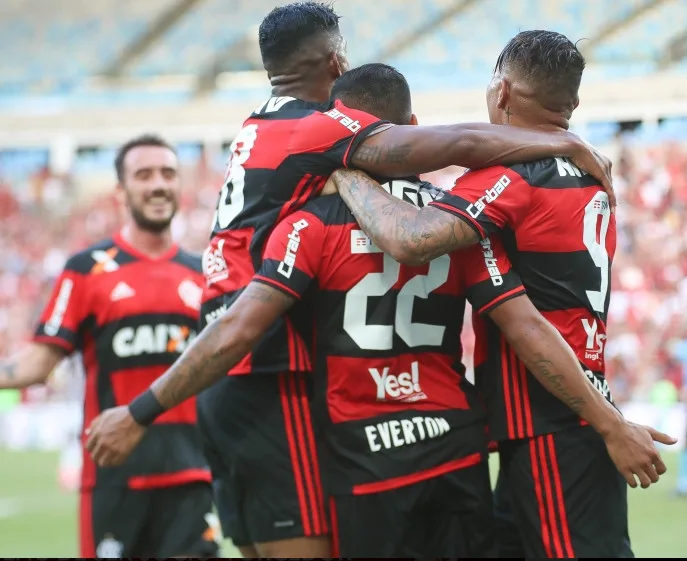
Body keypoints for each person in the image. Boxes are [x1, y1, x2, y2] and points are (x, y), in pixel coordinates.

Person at [84, 3, 615, 557]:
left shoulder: (266, 140)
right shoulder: (337, 144)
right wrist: (564, 142)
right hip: (290, 376)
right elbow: (455, 154)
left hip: (268, 403)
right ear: (336, 62)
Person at [322, 31, 677, 557]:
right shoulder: (588, 176)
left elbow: (412, 239)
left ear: (502, 91)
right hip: (560, 414)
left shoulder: (513, 175)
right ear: (572, 104)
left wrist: (346, 172)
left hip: (551, 422)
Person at [0, 135, 219, 559]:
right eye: (143, 175)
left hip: (192, 479)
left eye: (168, 174)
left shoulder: (203, 275)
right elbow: (38, 362)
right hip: (115, 480)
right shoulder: (86, 271)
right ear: (120, 192)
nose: (158, 184)